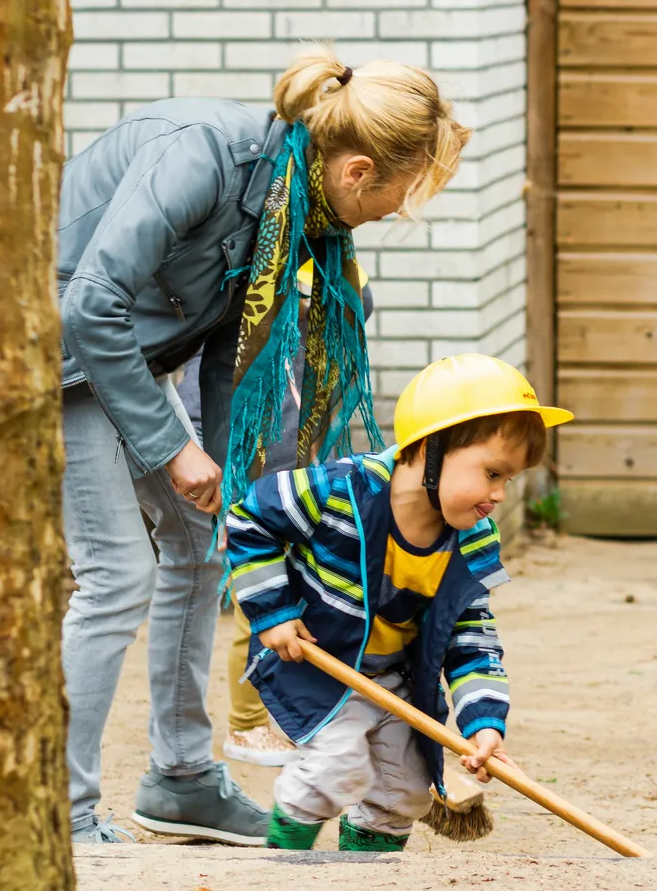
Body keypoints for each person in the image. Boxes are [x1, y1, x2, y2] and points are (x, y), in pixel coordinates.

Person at [57, 45, 471, 844]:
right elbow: (91, 305)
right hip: (63, 354)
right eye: (397, 193)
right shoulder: (201, 154)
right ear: (355, 172)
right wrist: (171, 448)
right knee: (117, 574)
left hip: (136, 361)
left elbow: (228, 349)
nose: (393, 212)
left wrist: (233, 479)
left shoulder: (286, 208)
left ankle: (180, 782)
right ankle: (62, 810)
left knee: (203, 548)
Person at [223, 355, 573, 851]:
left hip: (394, 679)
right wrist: (273, 613)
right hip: (319, 665)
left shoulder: (471, 541)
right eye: (493, 472)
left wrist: (484, 722)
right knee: (334, 766)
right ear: (432, 449)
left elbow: (472, 639)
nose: (498, 494)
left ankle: (366, 875)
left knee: (405, 792)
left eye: (507, 480)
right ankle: (284, 867)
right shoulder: (339, 490)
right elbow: (248, 518)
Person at [177, 260, 374, 767]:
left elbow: (313, 427)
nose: (319, 320)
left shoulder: (312, 352)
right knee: (256, 609)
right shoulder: (238, 344)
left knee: (298, 605)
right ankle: (245, 728)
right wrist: (224, 495)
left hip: (293, 496)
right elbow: (198, 412)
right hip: (246, 500)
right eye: (311, 307)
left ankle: (293, 717)